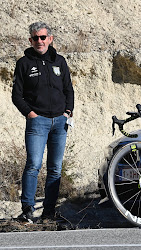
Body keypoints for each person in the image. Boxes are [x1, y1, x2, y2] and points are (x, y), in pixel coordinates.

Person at [12, 22, 74, 223]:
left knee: (55, 168)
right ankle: (27, 210)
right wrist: (30, 114)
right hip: (37, 122)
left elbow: (68, 90)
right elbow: (16, 95)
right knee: (33, 165)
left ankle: (49, 212)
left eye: (43, 37)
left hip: (60, 123)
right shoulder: (24, 63)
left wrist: (68, 112)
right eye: (35, 38)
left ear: (50, 38)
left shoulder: (60, 61)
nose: (40, 41)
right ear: (30, 40)